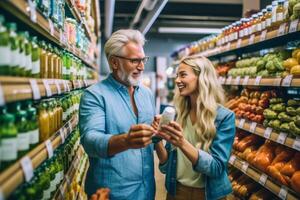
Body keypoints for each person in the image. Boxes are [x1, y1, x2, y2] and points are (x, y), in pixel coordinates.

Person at [79, 29, 157, 200]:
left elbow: (151, 136)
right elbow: (90, 140)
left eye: (143, 60)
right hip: (112, 193)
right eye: (134, 61)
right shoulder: (95, 95)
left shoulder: (146, 94)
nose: (142, 66)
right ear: (114, 62)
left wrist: (159, 130)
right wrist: (125, 141)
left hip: (147, 190)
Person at [153, 55, 236, 200]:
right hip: (176, 191)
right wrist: (158, 138)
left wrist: (181, 142)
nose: (177, 80)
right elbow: (166, 167)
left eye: (183, 75)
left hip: (208, 194)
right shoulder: (178, 114)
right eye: (177, 75)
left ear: (202, 77)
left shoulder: (224, 117)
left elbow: (217, 168)